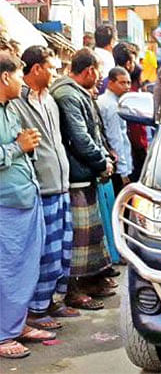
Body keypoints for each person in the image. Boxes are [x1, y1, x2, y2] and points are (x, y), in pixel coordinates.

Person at [8, 46, 80, 331]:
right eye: (51, 67)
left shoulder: (49, 99)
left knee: (62, 250)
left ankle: (52, 301)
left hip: (61, 184)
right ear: (36, 68)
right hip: (41, 188)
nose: (55, 72)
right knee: (44, 253)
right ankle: (36, 310)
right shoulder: (16, 103)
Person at [0, 51, 56, 360]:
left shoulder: (10, 109)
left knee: (24, 269)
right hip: (5, 204)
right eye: (20, 75)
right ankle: (3, 334)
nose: (23, 82)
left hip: (25, 198)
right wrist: (16, 147)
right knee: (7, 271)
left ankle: (15, 324)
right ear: (5, 77)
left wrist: (25, 147)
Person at [51, 48, 115, 311]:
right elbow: (80, 138)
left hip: (84, 173)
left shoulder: (75, 93)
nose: (99, 77)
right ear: (89, 70)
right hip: (76, 175)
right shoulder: (67, 95)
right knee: (79, 236)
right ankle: (73, 290)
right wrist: (102, 162)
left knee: (90, 235)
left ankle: (89, 282)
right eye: (98, 71)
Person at [97, 67, 133, 195]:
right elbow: (116, 138)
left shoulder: (104, 100)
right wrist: (124, 172)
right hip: (116, 164)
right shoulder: (112, 105)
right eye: (122, 83)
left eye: (128, 82)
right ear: (111, 83)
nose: (127, 86)